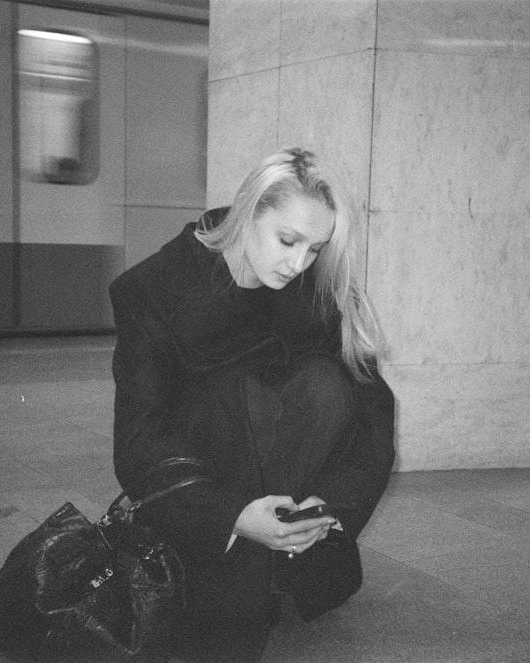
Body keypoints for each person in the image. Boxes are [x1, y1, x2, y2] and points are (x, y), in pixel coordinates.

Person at [109, 147, 395, 662]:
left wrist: (331, 506)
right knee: (232, 389)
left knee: (333, 381)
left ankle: (277, 560)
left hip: (291, 498)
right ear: (248, 213)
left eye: (315, 248)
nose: (299, 263)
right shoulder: (153, 290)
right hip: (201, 508)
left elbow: (374, 411)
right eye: (288, 241)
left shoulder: (317, 287)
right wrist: (232, 517)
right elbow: (138, 442)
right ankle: (233, 576)